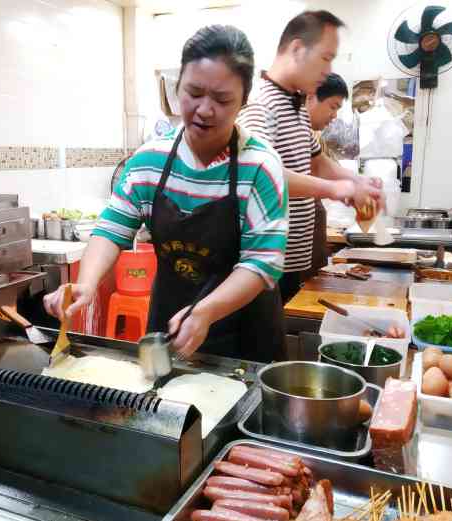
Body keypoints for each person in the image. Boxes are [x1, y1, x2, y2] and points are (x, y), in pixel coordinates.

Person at [45, 25, 288, 360]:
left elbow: (263, 264)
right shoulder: (149, 160)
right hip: (168, 327)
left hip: (245, 334)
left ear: (243, 101)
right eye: (193, 92)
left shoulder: (260, 164)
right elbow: (111, 230)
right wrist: (86, 283)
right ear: (178, 88)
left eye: (221, 99)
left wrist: (205, 311)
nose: (204, 109)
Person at [237, 10, 383, 304]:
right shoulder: (261, 105)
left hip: (293, 256)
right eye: (326, 57)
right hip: (267, 260)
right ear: (296, 49)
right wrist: (335, 189)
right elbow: (264, 176)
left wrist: (358, 180)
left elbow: (317, 161)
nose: (328, 70)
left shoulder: (298, 106)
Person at [305, 72, 349, 278]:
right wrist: (335, 189)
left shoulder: (305, 131)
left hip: (305, 245)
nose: (335, 116)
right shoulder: (264, 114)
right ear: (310, 96)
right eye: (333, 107)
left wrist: (358, 182)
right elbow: (274, 177)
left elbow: (322, 165)